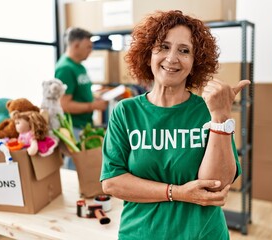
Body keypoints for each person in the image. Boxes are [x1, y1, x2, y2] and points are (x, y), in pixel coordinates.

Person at [100, 10, 250, 240]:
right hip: (141, 234)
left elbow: (216, 185)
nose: (172, 58)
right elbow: (112, 183)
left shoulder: (207, 111)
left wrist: (220, 117)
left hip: (203, 234)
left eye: (184, 50)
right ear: (148, 52)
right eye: (163, 46)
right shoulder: (125, 112)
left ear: (195, 61)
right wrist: (178, 193)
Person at [55, 27, 108, 169]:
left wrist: (97, 96)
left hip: (84, 125)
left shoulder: (79, 66)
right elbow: (65, 105)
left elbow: (80, 92)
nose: (90, 50)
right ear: (76, 45)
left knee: (86, 167)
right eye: (88, 47)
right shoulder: (65, 68)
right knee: (76, 167)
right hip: (74, 127)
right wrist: (93, 106)